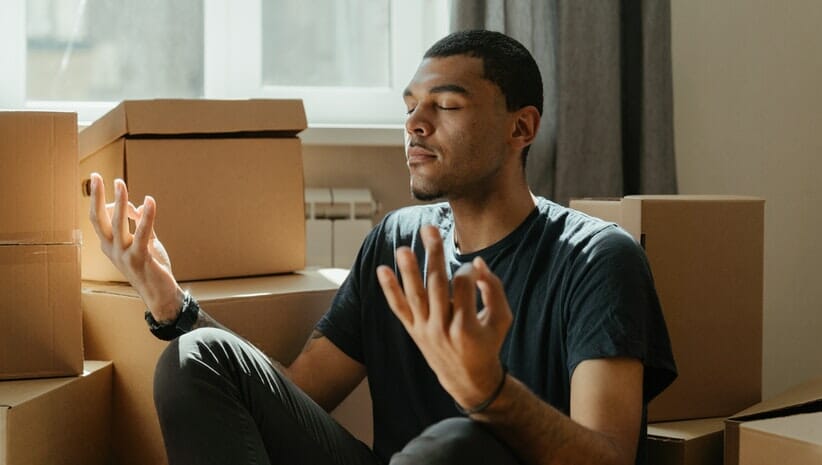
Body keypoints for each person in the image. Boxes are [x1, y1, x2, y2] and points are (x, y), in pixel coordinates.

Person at [88, 30, 676, 465]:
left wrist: (489, 394)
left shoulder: (597, 258)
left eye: (445, 105)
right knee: (199, 358)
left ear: (520, 128)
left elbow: (610, 457)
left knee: (460, 443)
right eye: (409, 106)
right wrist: (168, 301)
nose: (415, 123)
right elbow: (297, 397)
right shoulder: (396, 241)